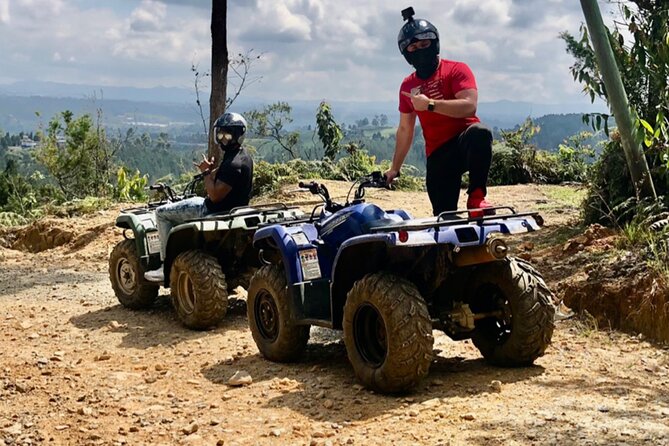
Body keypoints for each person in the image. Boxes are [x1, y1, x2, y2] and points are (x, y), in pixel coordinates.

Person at [384, 7, 494, 218]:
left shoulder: (456, 70)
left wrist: (431, 104)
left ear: (434, 44)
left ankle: (477, 198)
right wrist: (394, 169)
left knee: (480, 132)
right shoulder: (408, 86)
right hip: (438, 155)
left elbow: (469, 106)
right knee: (445, 220)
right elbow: (405, 129)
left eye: (424, 44)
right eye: (413, 47)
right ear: (406, 53)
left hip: (465, 142)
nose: (420, 51)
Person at [144, 112, 254, 282]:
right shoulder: (243, 156)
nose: (223, 139)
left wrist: (205, 173)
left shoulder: (233, 163)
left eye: (227, 134)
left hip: (211, 209)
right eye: (221, 134)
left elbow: (215, 195)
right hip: (235, 209)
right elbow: (225, 175)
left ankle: (165, 265)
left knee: (161, 212)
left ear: (237, 136)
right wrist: (211, 172)